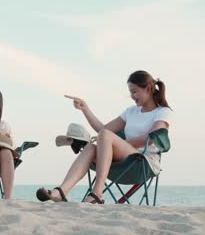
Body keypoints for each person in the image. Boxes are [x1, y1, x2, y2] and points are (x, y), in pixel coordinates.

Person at [36, 70, 172, 204]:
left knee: (106, 135)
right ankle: (61, 192)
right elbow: (103, 129)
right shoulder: (130, 111)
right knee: (90, 147)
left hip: (143, 162)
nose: (132, 96)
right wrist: (85, 109)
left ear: (148, 89)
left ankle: (97, 192)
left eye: (134, 91)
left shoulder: (162, 112)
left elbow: (153, 138)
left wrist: (121, 143)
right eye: (130, 92)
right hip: (123, 159)